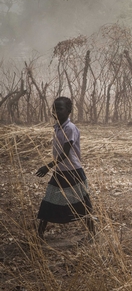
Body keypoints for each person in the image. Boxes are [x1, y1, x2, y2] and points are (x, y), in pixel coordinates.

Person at [35, 97, 94, 240]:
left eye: (59, 109)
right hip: (60, 171)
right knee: (49, 200)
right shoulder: (57, 127)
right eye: (54, 109)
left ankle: (92, 234)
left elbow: (65, 154)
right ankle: (38, 236)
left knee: (82, 204)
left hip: (73, 171)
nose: (55, 112)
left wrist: (48, 166)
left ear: (69, 111)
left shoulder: (70, 128)